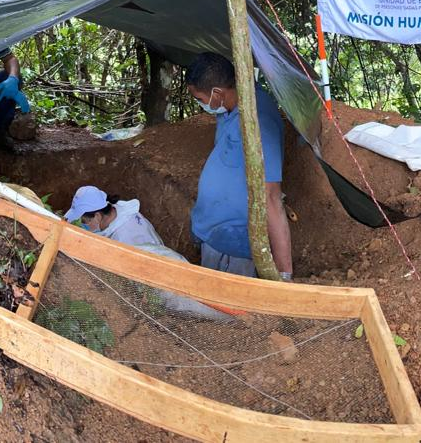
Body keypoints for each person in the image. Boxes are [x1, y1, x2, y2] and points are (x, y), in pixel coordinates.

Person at [184, 52, 293, 280]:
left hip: (232, 244)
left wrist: (284, 275)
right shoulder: (230, 108)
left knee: (227, 312)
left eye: (200, 99)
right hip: (215, 231)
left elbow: (271, 197)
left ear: (217, 94)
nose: (200, 104)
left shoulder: (258, 121)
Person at [64, 185, 231, 320]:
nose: (83, 225)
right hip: (167, 262)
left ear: (98, 216)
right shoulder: (119, 212)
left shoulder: (126, 238)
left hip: (164, 280)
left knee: (202, 307)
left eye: (84, 222)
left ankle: (235, 319)